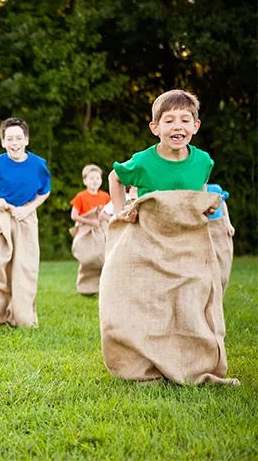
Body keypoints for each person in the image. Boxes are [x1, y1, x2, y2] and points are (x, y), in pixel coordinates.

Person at [101, 89, 238, 385]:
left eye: (185, 120)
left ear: (195, 126)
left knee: (192, 296)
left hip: (187, 242)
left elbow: (199, 195)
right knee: (151, 301)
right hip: (149, 240)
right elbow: (115, 177)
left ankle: (191, 360)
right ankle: (146, 360)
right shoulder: (143, 161)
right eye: (169, 121)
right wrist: (120, 208)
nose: (178, 126)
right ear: (155, 128)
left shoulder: (203, 161)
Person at [0, 117, 51, 327]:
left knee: (24, 267)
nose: (14, 143)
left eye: (18, 138)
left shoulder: (38, 164)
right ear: (3, 142)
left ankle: (22, 316)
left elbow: (45, 191)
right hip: (2, 216)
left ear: (26, 140)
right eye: (9, 139)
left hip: (25, 217)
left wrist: (29, 208)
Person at [68, 165, 111, 295]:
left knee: (103, 258)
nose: (94, 181)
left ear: (101, 181)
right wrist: (90, 221)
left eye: (97, 178)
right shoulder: (81, 197)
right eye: (91, 178)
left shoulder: (105, 196)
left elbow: (109, 213)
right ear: (85, 181)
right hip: (86, 232)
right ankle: (85, 287)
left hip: (101, 231)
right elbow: (74, 216)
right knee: (88, 259)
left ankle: (101, 287)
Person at [206, 183, 235, 296]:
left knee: (223, 267)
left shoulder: (215, 189)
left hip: (218, 229)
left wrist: (228, 223)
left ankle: (218, 297)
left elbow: (223, 204)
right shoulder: (193, 189)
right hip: (202, 229)